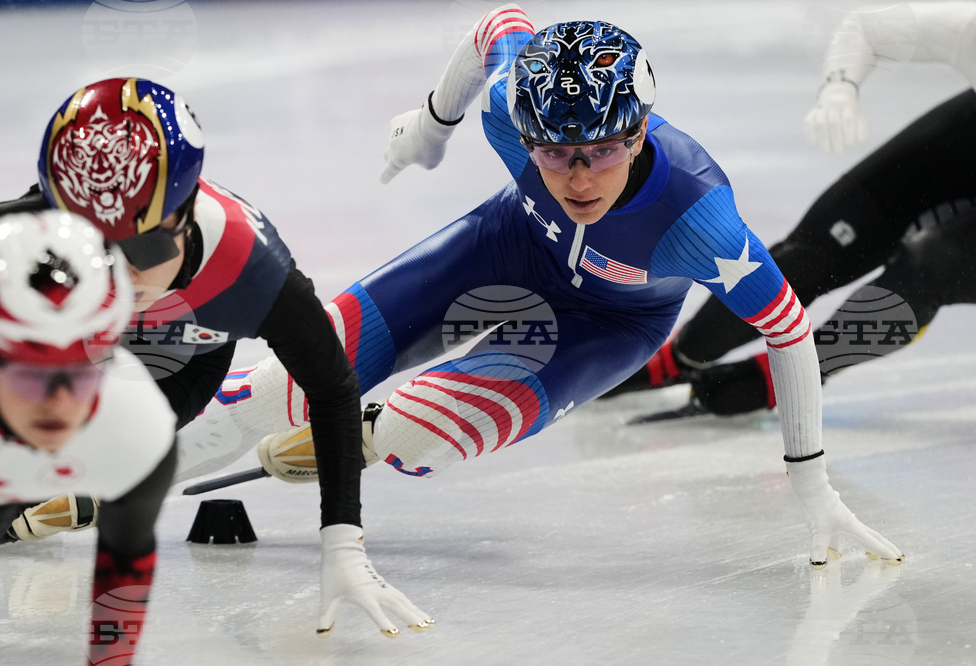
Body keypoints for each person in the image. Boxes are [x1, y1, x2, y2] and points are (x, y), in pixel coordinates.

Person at [175, 4, 904, 572]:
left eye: (603, 152)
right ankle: (125, 469)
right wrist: (433, 124)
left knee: (412, 437)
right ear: (526, 132)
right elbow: (496, 26)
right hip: (506, 248)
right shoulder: (506, 102)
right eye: (554, 153)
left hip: (608, 324)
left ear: (641, 129)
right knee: (280, 388)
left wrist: (813, 486)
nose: (579, 177)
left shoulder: (700, 221)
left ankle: (364, 435)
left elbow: (787, 330)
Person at [0, 78, 430, 638]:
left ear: (185, 212)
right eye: (95, 244)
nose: (118, 270)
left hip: (173, 361)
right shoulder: (35, 226)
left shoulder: (251, 269)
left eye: (143, 246)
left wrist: (342, 543)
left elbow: (331, 389)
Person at [603, 0, 976, 417]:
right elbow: (866, 30)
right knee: (814, 252)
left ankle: (788, 376)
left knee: (930, 264)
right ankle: (679, 356)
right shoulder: (968, 37)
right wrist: (839, 90)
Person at [0, 210, 176, 665]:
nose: (58, 404)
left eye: (80, 374)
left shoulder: (140, 433)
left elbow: (125, 561)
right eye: (29, 377)